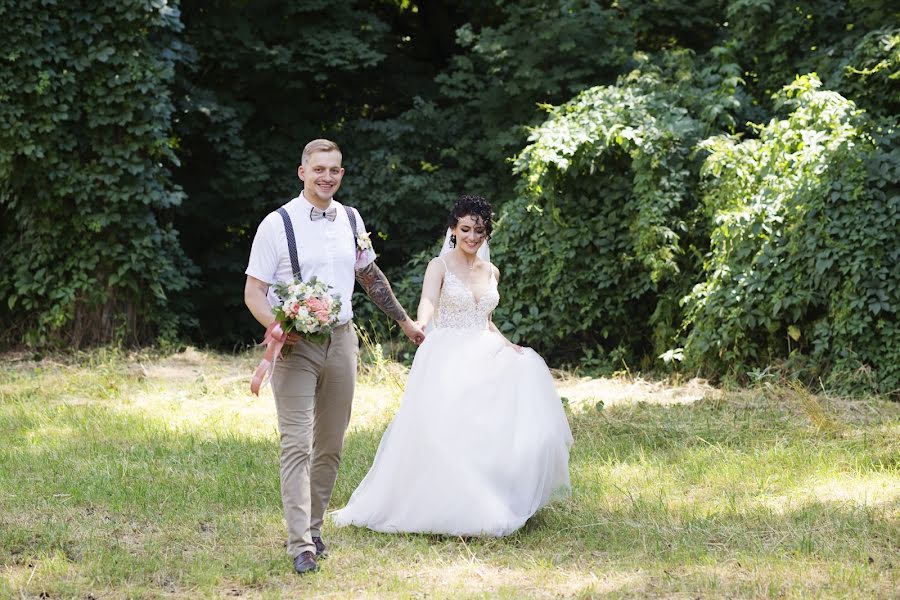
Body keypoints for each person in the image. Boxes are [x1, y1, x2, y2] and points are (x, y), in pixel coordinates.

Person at [331, 194, 572, 536]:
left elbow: (485, 320)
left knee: (503, 417)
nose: (473, 237)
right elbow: (429, 300)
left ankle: (494, 495)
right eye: (466, 229)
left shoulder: (492, 271)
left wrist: (509, 346)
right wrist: (420, 324)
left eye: (480, 230)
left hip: (485, 349)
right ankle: (442, 504)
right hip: (448, 350)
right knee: (447, 428)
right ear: (453, 230)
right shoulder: (439, 265)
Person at [244, 139, 425, 575]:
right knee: (296, 443)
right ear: (302, 172)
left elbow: (368, 275)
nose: (328, 177)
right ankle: (300, 544)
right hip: (295, 345)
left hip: (342, 341)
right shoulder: (277, 224)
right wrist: (276, 326)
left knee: (330, 443)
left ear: (341, 174)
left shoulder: (351, 218)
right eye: (319, 169)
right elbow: (254, 291)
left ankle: (316, 526)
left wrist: (405, 323)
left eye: (335, 170)